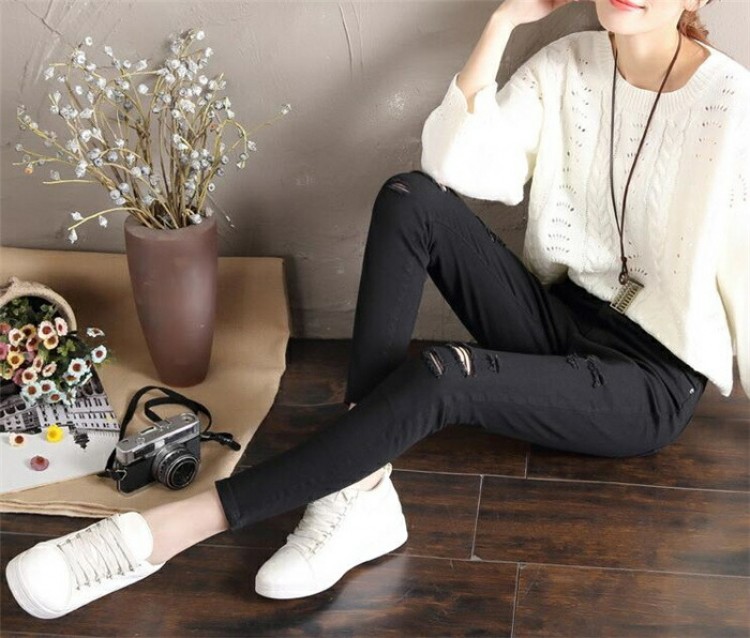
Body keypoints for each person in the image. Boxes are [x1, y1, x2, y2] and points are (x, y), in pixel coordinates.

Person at [6, 0, 748, 620]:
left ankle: (163, 534)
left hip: (646, 379)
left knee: (443, 374)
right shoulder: (569, 62)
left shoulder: (732, 104)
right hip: (560, 320)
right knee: (409, 197)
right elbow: (455, 166)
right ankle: (361, 492)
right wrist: (503, 22)